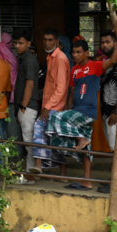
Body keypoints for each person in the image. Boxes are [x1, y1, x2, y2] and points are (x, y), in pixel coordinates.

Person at [47, 37, 117, 190]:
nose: (75, 55)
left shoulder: (96, 66)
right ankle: (87, 181)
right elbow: (72, 92)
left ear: (87, 53)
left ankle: (80, 139)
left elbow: (113, 60)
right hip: (76, 111)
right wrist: (68, 110)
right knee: (86, 149)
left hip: (88, 112)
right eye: (74, 52)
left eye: (79, 52)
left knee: (56, 118)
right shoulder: (74, 70)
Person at [32, 28, 70, 172]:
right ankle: (43, 166)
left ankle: (41, 165)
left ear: (57, 41)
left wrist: (47, 107)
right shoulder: (51, 57)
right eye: (45, 40)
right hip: (50, 105)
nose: (47, 43)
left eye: (50, 40)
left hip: (54, 107)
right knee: (53, 136)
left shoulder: (60, 58)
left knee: (45, 132)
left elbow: (60, 88)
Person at [12, 28, 42, 177]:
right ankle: (29, 174)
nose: (17, 46)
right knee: (28, 142)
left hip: (28, 106)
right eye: (15, 43)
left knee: (29, 142)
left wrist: (22, 106)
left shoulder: (29, 60)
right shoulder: (24, 58)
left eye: (20, 43)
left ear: (29, 43)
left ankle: (30, 175)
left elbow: (29, 84)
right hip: (27, 106)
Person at [98, 30, 117, 156]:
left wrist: (116, 112)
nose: (104, 45)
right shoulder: (104, 63)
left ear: (115, 43)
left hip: (115, 112)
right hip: (105, 111)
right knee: (113, 146)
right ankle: (116, 176)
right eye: (102, 42)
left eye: (108, 42)